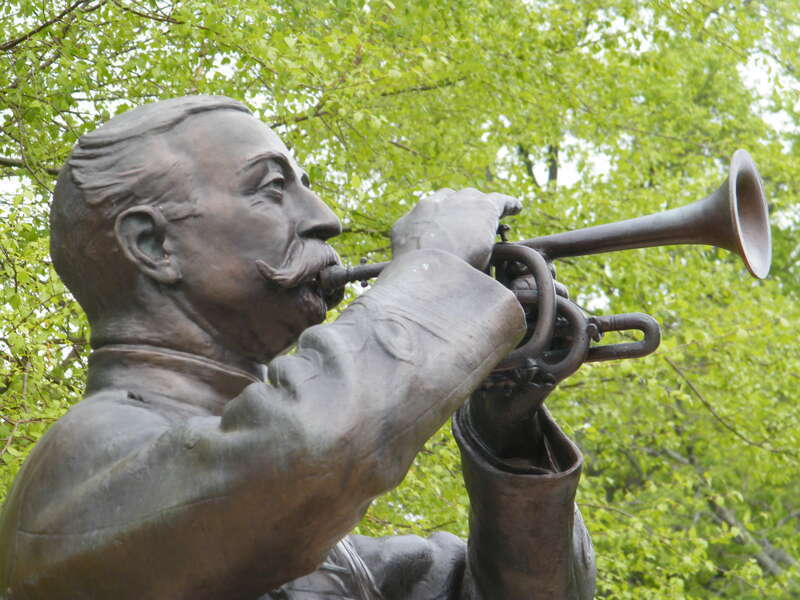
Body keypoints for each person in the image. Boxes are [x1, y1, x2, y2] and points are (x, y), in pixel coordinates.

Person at [0, 96, 595, 599]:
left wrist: (507, 431)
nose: (326, 219)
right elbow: (304, 452)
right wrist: (433, 272)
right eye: (272, 189)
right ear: (152, 243)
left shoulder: (332, 552)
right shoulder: (83, 468)